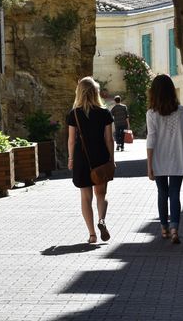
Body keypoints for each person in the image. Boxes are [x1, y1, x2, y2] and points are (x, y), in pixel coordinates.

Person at [145, 74, 183, 243]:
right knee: (175, 193)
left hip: (159, 159)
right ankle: (175, 228)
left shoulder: (151, 114)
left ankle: (164, 227)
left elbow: (151, 139)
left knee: (162, 193)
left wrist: (149, 164)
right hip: (178, 158)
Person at [67, 76, 115, 244]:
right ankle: (102, 220)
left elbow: (71, 140)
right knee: (101, 194)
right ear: (96, 92)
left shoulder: (74, 114)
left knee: (85, 197)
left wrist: (71, 158)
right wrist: (112, 159)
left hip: (82, 158)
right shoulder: (104, 113)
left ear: (79, 93)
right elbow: (109, 139)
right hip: (101, 157)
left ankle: (92, 234)